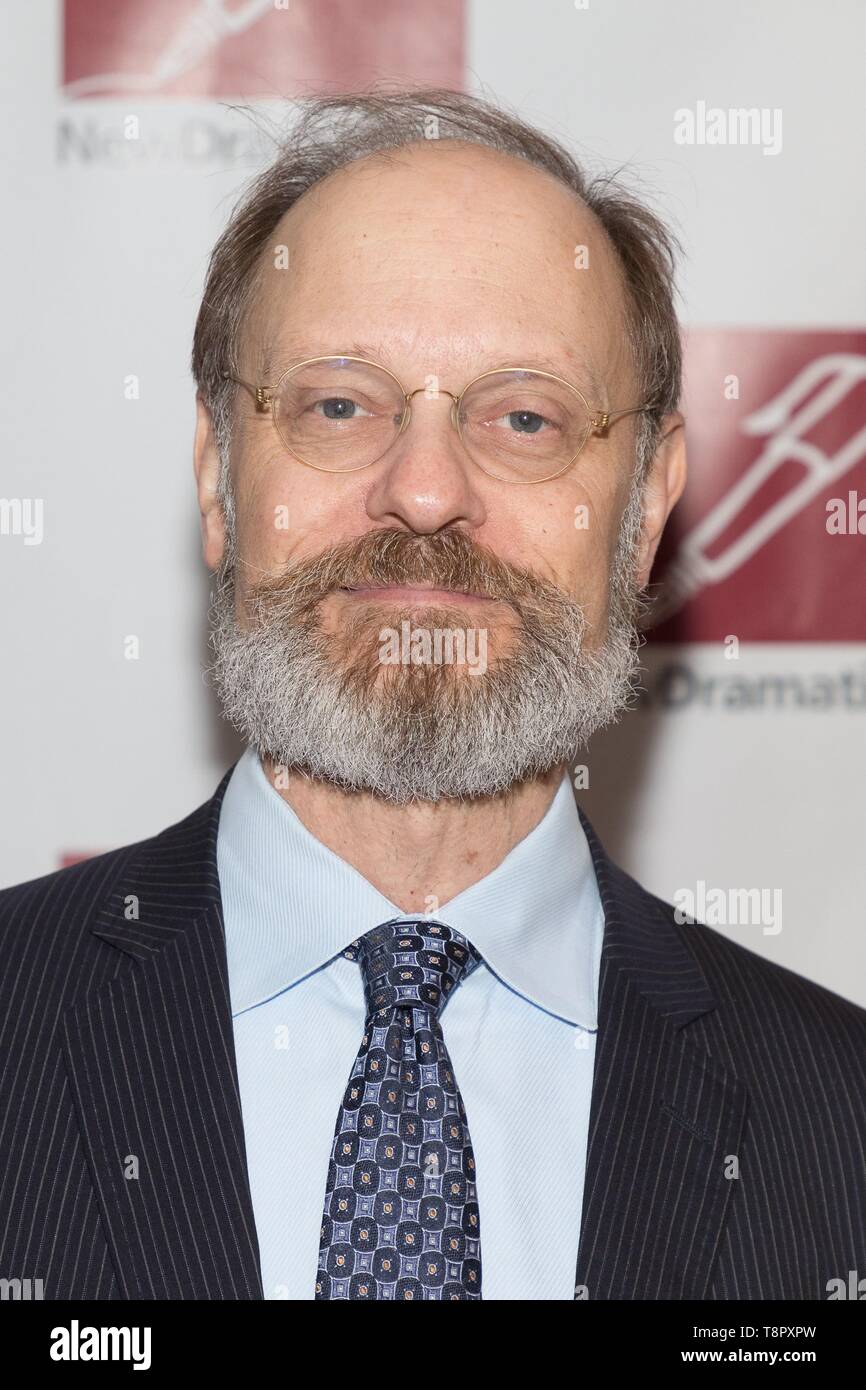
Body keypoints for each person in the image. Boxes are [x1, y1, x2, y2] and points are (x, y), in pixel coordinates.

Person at [0, 89, 863, 1302]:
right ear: (215, 473)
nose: (421, 492)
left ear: (644, 507)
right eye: (338, 404)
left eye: (524, 417)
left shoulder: (840, 1131)